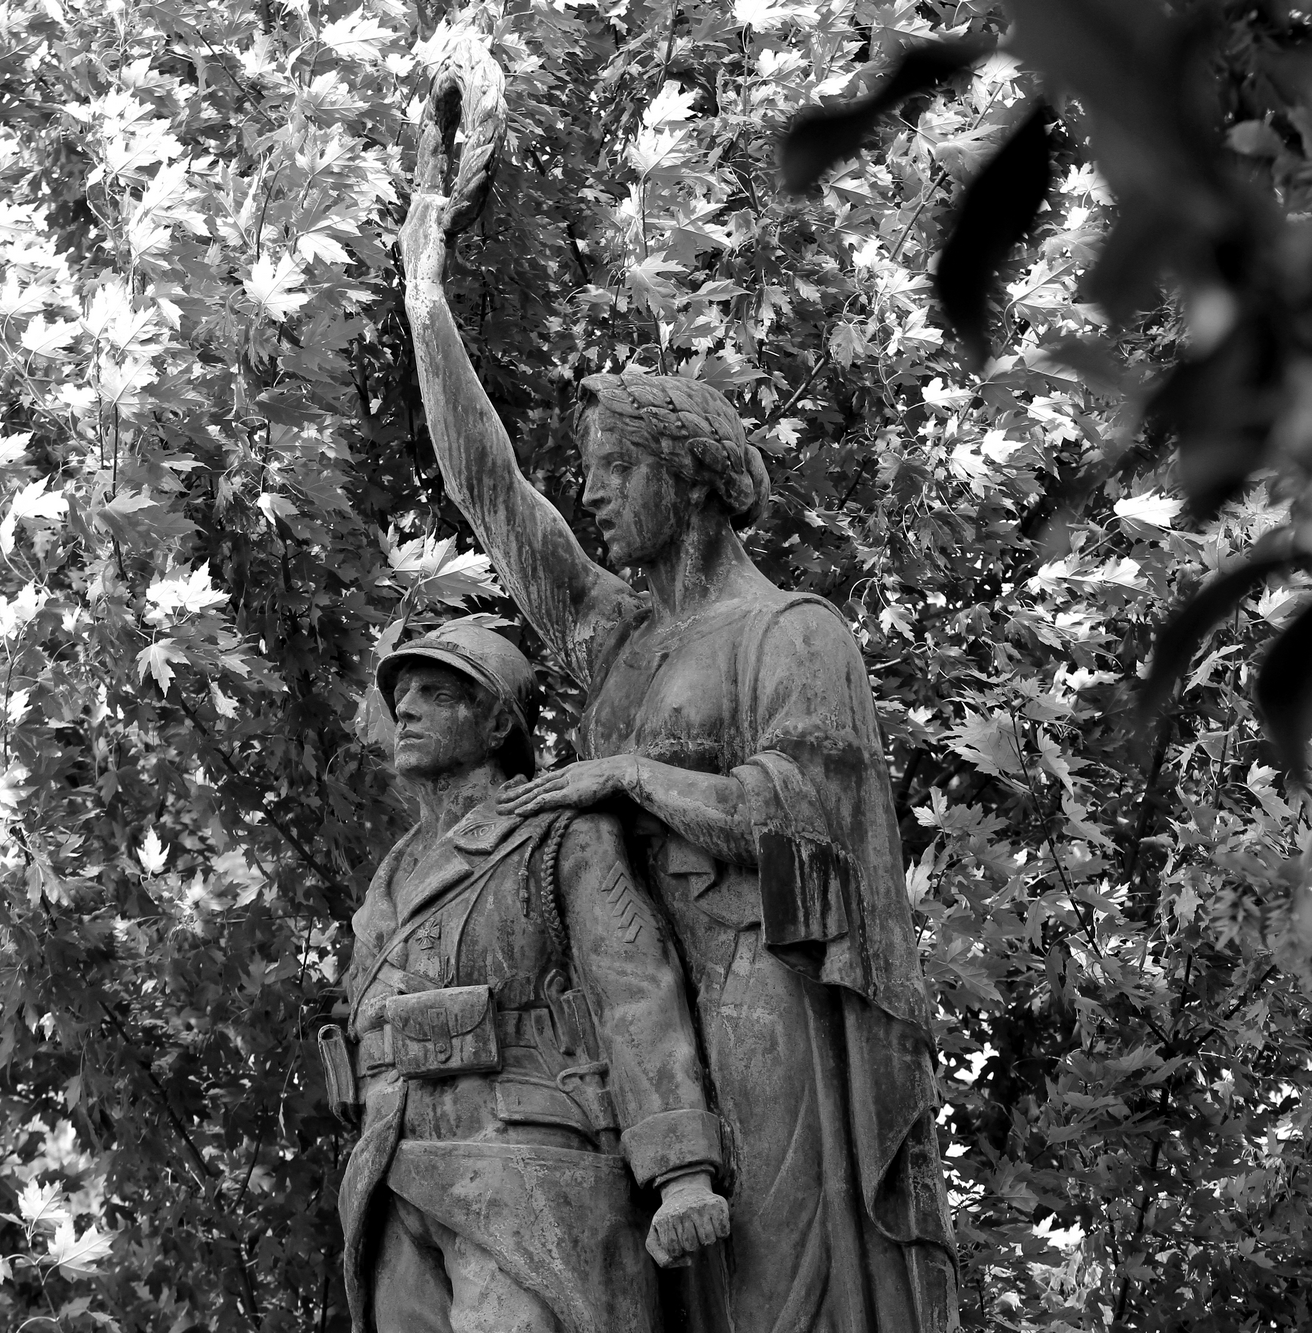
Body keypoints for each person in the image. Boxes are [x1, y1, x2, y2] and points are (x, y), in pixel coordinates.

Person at [399, 191, 957, 1333]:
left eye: (614, 467)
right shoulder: (615, 634)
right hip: (631, 1018)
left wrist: (629, 778)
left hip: (761, 998)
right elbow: (492, 492)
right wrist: (425, 305)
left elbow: (811, 822)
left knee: (767, 1298)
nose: (592, 492)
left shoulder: (791, 632)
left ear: (689, 478)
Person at [325, 619, 731, 1333]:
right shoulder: (390, 875)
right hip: (391, 1175)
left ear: (496, 725)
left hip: (524, 1168)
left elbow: (635, 994)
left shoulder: (559, 833)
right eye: (402, 695)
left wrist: (681, 1175)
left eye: (436, 693)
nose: (406, 709)